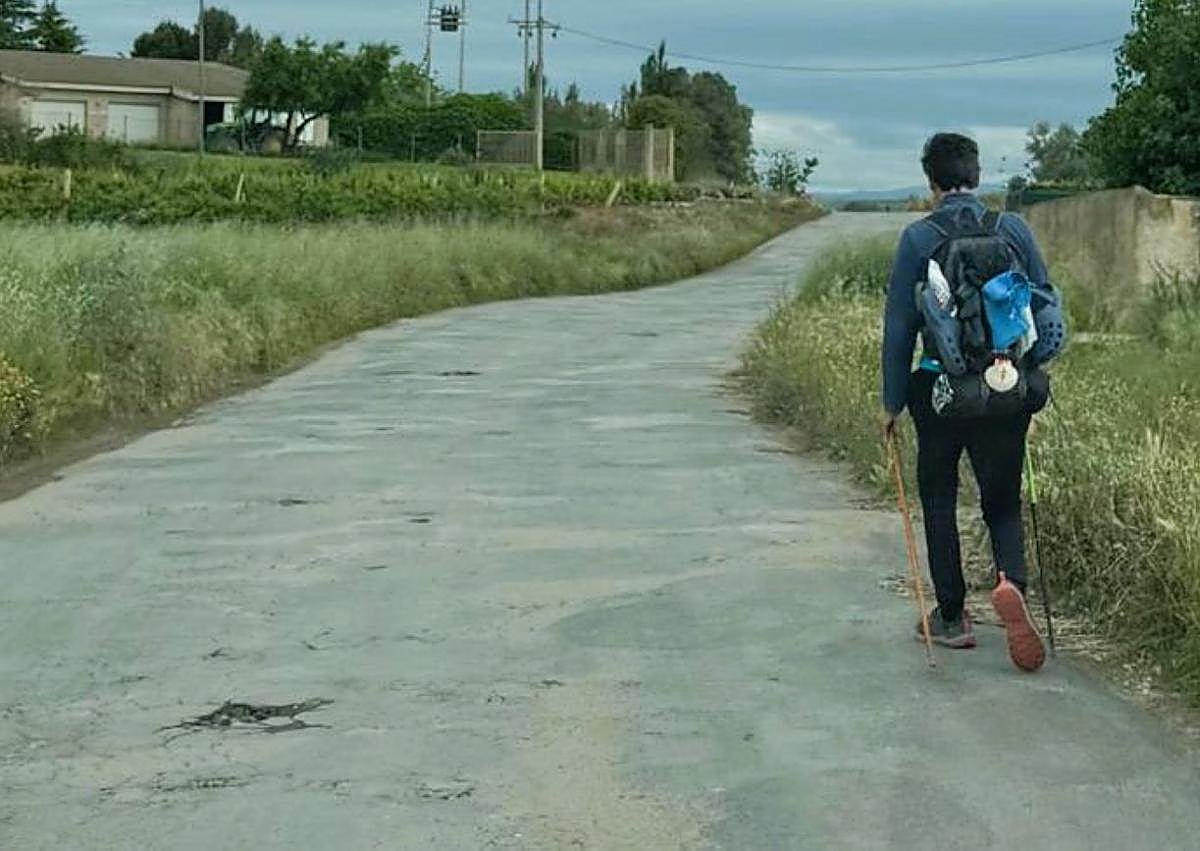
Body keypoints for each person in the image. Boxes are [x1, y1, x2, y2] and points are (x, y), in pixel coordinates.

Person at [881, 132, 1051, 672]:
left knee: (938, 497)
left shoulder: (918, 238)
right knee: (1001, 498)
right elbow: (1043, 304)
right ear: (977, 175)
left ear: (931, 180)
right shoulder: (1013, 229)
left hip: (940, 388)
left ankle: (952, 617)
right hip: (1005, 385)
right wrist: (1027, 375)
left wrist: (890, 402)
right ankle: (1010, 583)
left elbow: (899, 328)